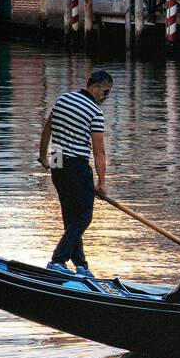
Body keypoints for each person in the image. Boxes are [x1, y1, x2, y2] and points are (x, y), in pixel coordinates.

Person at [38, 70, 113, 276]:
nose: (106, 97)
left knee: (71, 217)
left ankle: (81, 266)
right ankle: (57, 260)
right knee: (83, 217)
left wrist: (43, 156)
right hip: (77, 165)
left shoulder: (63, 98)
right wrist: (102, 182)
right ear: (95, 87)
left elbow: (47, 129)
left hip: (57, 161)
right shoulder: (95, 112)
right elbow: (99, 151)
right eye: (106, 92)